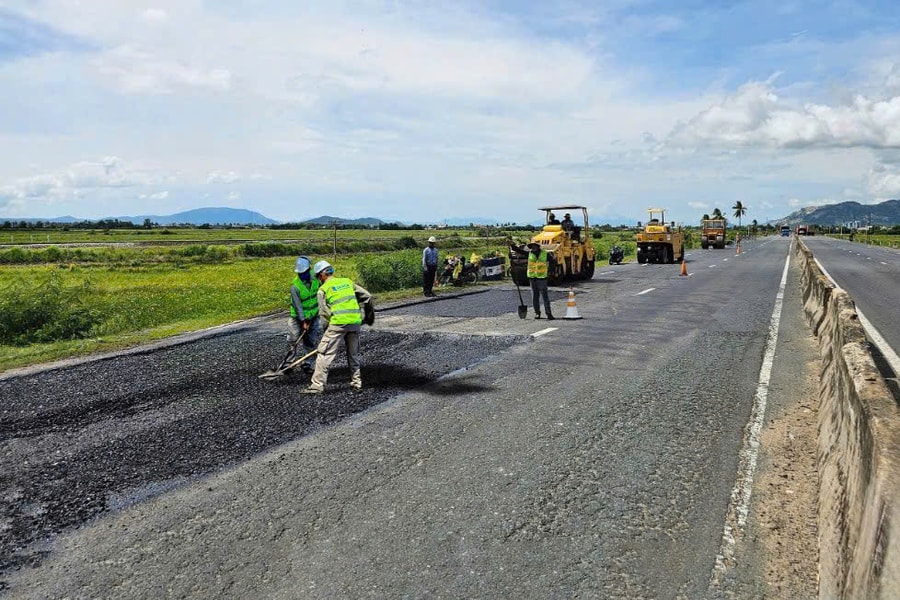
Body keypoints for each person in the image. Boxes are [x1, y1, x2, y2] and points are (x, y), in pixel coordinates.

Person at [301, 260, 374, 394]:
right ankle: (357, 383)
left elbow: (324, 314)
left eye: (318, 277)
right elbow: (368, 297)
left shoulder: (322, 290)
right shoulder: (347, 282)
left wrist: (326, 333)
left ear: (321, 275)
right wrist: (368, 316)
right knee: (354, 354)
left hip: (338, 323)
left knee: (324, 354)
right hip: (355, 323)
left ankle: (317, 386)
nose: (318, 280)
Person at [287, 256, 322, 374]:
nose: (302, 275)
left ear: (308, 270)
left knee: (311, 340)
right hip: (297, 317)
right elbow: (298, 306)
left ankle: (308, 363)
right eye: (300, 273)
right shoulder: (295, 286)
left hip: (314, 315)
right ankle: (288, 365)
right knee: (293, 339)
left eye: (304, 273)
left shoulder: (316, 278)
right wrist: (303, 321)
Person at [525, 241, 555, 320]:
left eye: (534, 246)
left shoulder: (545, 254)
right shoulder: (529, 254)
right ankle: (537, 313)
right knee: (535, 297)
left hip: (542, 279)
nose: (533, 247)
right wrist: (511, 245)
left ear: (538, 247)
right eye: (532, 246)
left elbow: (553, 261)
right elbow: (519, 251)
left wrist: (550, 271)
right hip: (532, 278)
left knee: (545, 297)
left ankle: (549, 314)